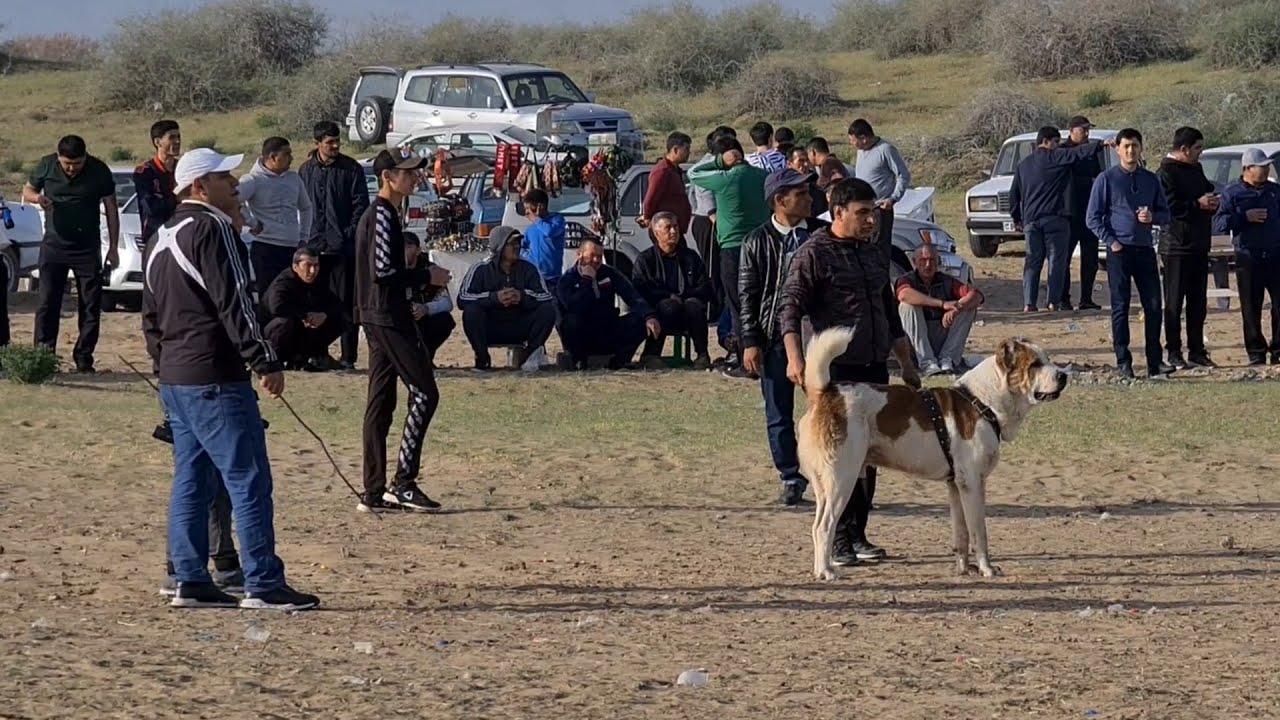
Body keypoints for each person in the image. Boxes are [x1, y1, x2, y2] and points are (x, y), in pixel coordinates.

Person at [142, 147, 318, 610]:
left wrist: (163, 369)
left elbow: (151, 316)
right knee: (248, 477)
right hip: (215, 374)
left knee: (192, 478)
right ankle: (262, 583)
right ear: (200, 187)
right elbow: (235, 302)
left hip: (176, 376)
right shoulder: (214, 228)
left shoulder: (162, 233)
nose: (235, 183)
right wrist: (264, 360)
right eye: (225, 177)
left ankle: (188, 577)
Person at [779, 178, 921, 565]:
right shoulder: (813, 254)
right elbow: (789, 309)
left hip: (874, 368)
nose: (870, 221)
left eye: (872, 213)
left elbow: (889, 313)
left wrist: (906, 362)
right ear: (837, 211)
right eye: (862, 214)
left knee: (869, 454)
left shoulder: (874, 254)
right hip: (833, 372)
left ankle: (858, 534)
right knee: (838, 459)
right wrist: (795, 358)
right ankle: (837, 540)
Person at [355, 148, 452, 513]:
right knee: (425, 394)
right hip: (386, 316)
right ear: (388, 177)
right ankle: (403, 482)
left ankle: (374, 490)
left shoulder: (386, 215)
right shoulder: (381, 215)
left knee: (381, 402)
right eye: (408, 172)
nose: (415, 178)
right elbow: (384, 272)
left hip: (376, 314)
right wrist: (428, 275)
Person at [740, 168, 829, 506]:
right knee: (778, 411)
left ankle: (826, 474)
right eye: (801, 193)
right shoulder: (756, 241)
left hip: (817, 337)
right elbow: (747, 295)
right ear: (780, 200)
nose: (809, 198)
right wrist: (750, 340)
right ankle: (790, 475)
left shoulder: (822, 235)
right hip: (774, 337)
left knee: (826, 408)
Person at [24, 135, 118, 373]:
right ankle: (44, 357)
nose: (72, 168)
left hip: (87, 248)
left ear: (85, 157)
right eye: (67, 164)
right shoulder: (46, 165)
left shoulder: (99, 170)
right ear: (58, 158)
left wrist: (114, 248)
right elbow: (28, 190)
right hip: (54, 246)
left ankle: (84, 358)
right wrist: (38, 198)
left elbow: (111, 208)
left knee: (90, 305)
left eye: (77, 163)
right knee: (48, 302)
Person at [1087, 128, 1173, 380]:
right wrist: (1112, 242)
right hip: (1120, 251)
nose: (1130, 151)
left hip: (1145, 249)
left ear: (1141, 147)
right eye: (1126, 146)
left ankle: (1155, 362)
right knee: (1121, 306)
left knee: (1154, 305)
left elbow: (1166, 214)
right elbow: (1092, 218)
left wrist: (1153, 217)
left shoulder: (1150, 179)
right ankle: (1123, 360)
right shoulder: (1106, 179)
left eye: (1135, 145)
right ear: (1117, 149)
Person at [689, 135, 770, 377]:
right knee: (760, 300)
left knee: (737, 303)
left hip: (733, 247)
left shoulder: (724, 179)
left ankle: (746, 359)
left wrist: (718, 162)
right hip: (761, 245)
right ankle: (764, 354)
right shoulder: (763, 176)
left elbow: (693, 173)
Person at [1009, 126, 1109, 312]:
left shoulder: (1023, 165)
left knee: (1032, 261)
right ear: (1047, 141)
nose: (1059, 146)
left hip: (1031, 220)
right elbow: (1078, 152)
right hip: (1055, 218)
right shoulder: (1056, 157)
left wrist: (1016, 218)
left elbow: (1014, 194)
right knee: (1057, 261)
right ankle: (1053, 302)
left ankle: (1029, 303)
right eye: (1056, 142)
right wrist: (1101, 144)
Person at [300, 121, 369, 370]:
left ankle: (348, 357)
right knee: (315, 303)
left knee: (346, 303)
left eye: (337, 141)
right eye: (329, 142)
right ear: (317, 143)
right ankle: (318, 354)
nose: (335, 146)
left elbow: (361, 205)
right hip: (314, 248)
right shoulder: (305, 171)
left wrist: (348, 233)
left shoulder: (351, 169)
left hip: (342, 249)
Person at [1157, 126, 1219, 369]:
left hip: (1198, 244)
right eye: (1197, 148)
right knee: (1174, 302)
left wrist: (1211, 202)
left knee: (1198, 302)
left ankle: (1197, 350)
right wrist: (1197, 204)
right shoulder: (1165, 172)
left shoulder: (1196, 168)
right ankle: (1173, 351)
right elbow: (1170, 207)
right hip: (1176, 246)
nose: (1200, 153)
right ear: (1183, 149)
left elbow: (1205, 190)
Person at [1214, 148, 1280, 366]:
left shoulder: (1275, 191)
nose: (1265, 169)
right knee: (1251, 306)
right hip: (1248, 256)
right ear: (1247, 169)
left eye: (1267, 165)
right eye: (1261, 166)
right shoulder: (1232, 193)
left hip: (1275, 254)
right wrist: (1244, 217)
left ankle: (1278, 349)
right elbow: (1220, 223)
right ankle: (1256, 351)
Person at [458, 226, 557, 370]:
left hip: (519, 324)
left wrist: (522, 296)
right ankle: (482, 358)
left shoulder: (529, 268)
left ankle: (531, 355)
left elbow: (545, 296)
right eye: (512, 243)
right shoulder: (480, 268)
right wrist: (494, 298)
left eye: (518, 243)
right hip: (491, 326)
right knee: (471, 312)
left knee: (548, 310)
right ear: (500, 245)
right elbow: (463, 298)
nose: (517, 247)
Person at [558, 238, 661, 370]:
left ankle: (620, 361)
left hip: (607, 328)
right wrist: (586, 280)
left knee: (639, 320)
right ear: (579, 255)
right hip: (583, 332)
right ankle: (579, 361)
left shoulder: (609, 273)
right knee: (570, 322)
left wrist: (649, 316)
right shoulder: (567, 279)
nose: (596, 260)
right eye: (591, 256)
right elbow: (575, 307)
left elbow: (631, 295)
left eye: (599, 256)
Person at [632, 211, 713, 369]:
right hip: (660, 313)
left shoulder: (691, 257)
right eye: (668, 228)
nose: (674, 231)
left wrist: (684, 298)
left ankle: (703, 355)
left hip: (688, 312)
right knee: (667, 305)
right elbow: (641, 289)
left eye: (675, 227)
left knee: (694, 305)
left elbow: (705, 287)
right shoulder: (645, 260)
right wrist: (669, 296)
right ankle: (650, 355)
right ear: (656, 233)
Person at [240, 137, 314, 298]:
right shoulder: (253, 179)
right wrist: (252, 223)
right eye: (286, 154)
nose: (291, 158)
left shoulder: (294, 179)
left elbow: (306, 208)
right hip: (267, 247)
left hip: (293, 248)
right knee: (271, 297)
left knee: (295, 296)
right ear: (273, 157)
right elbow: (233, 200)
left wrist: (304, 237)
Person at [894, 244, 984, 376]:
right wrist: (942, 304)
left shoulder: (946, 281)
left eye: (931, 260)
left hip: (941, 336)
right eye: (923, 260)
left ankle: (948, 360)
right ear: (914, 262)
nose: (927, 265)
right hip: (914, 344)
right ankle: (927, 363)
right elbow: (904, 294)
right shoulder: (906, 280)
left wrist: (957, 308)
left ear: (938, 262)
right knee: (907, 306)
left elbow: (977, 295)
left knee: (968, 308)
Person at [260, 247, 345, 371]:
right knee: (284, 322)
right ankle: (273, 358)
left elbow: (335, 303)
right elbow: (277, 307)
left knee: (339, 318)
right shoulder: (284, 282)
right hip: (274, 332)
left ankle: (312, 356)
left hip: (302, 329)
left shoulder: (318, 280)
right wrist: (304, 315)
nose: (312, 270)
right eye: (308, 265)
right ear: (295, 267)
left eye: (316, 265)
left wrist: (324, 314)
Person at [1060, 116, 1105, 310]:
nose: (1087, 133)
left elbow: (1098, 175)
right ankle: (1063, 298)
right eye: (1083, 129)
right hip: (1069, 213)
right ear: (1072, 130)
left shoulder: (1091, 152)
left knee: (1090, 259)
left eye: (1088, 130)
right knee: (1065, 258)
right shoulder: (1062, 151)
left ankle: (1086, 298)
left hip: (1089, 213)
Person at [850, 118, 910, 246]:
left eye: (853, 140)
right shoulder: (860, 151)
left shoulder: (885, 150)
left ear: (863, 138)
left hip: (879, 210)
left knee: (878, 247)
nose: (852, 143)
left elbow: (903, 175)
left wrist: (893, 199)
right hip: (862, 208)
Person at [404, 231, 456, 360]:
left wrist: (426, 308)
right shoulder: (391, 270)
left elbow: (447, 303)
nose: (403, 251)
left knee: (445, 320)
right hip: (399, 319)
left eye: (408, 247)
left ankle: (425, 358)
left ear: (418, 250)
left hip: (423, 317)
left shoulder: (431, 270)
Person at [134, 120, 182, 245]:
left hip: (181, 234)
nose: (177, 141)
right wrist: (178, 197)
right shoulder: (145, 172)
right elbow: (152, 208)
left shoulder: (183, 168)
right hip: (155, 238)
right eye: (171, 137)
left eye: (178, 137)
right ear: (157, 142)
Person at [640, 132, 693, 236]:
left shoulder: (675, 171)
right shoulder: (662, 171)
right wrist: (647, 217)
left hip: (676, 229)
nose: (688, 153)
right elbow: (650, 199)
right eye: (686, 149)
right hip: (665, 231)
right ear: (675, 149)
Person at [519, 188, 567, 292]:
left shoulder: (557, 220)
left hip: (553, 277)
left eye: (528, 208)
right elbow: (521, 246)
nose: (526, 212)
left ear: (540, 206)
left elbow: (549, 232)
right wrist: (528, 256)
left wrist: (536, 219)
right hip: (535, 276)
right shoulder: (530, 229)